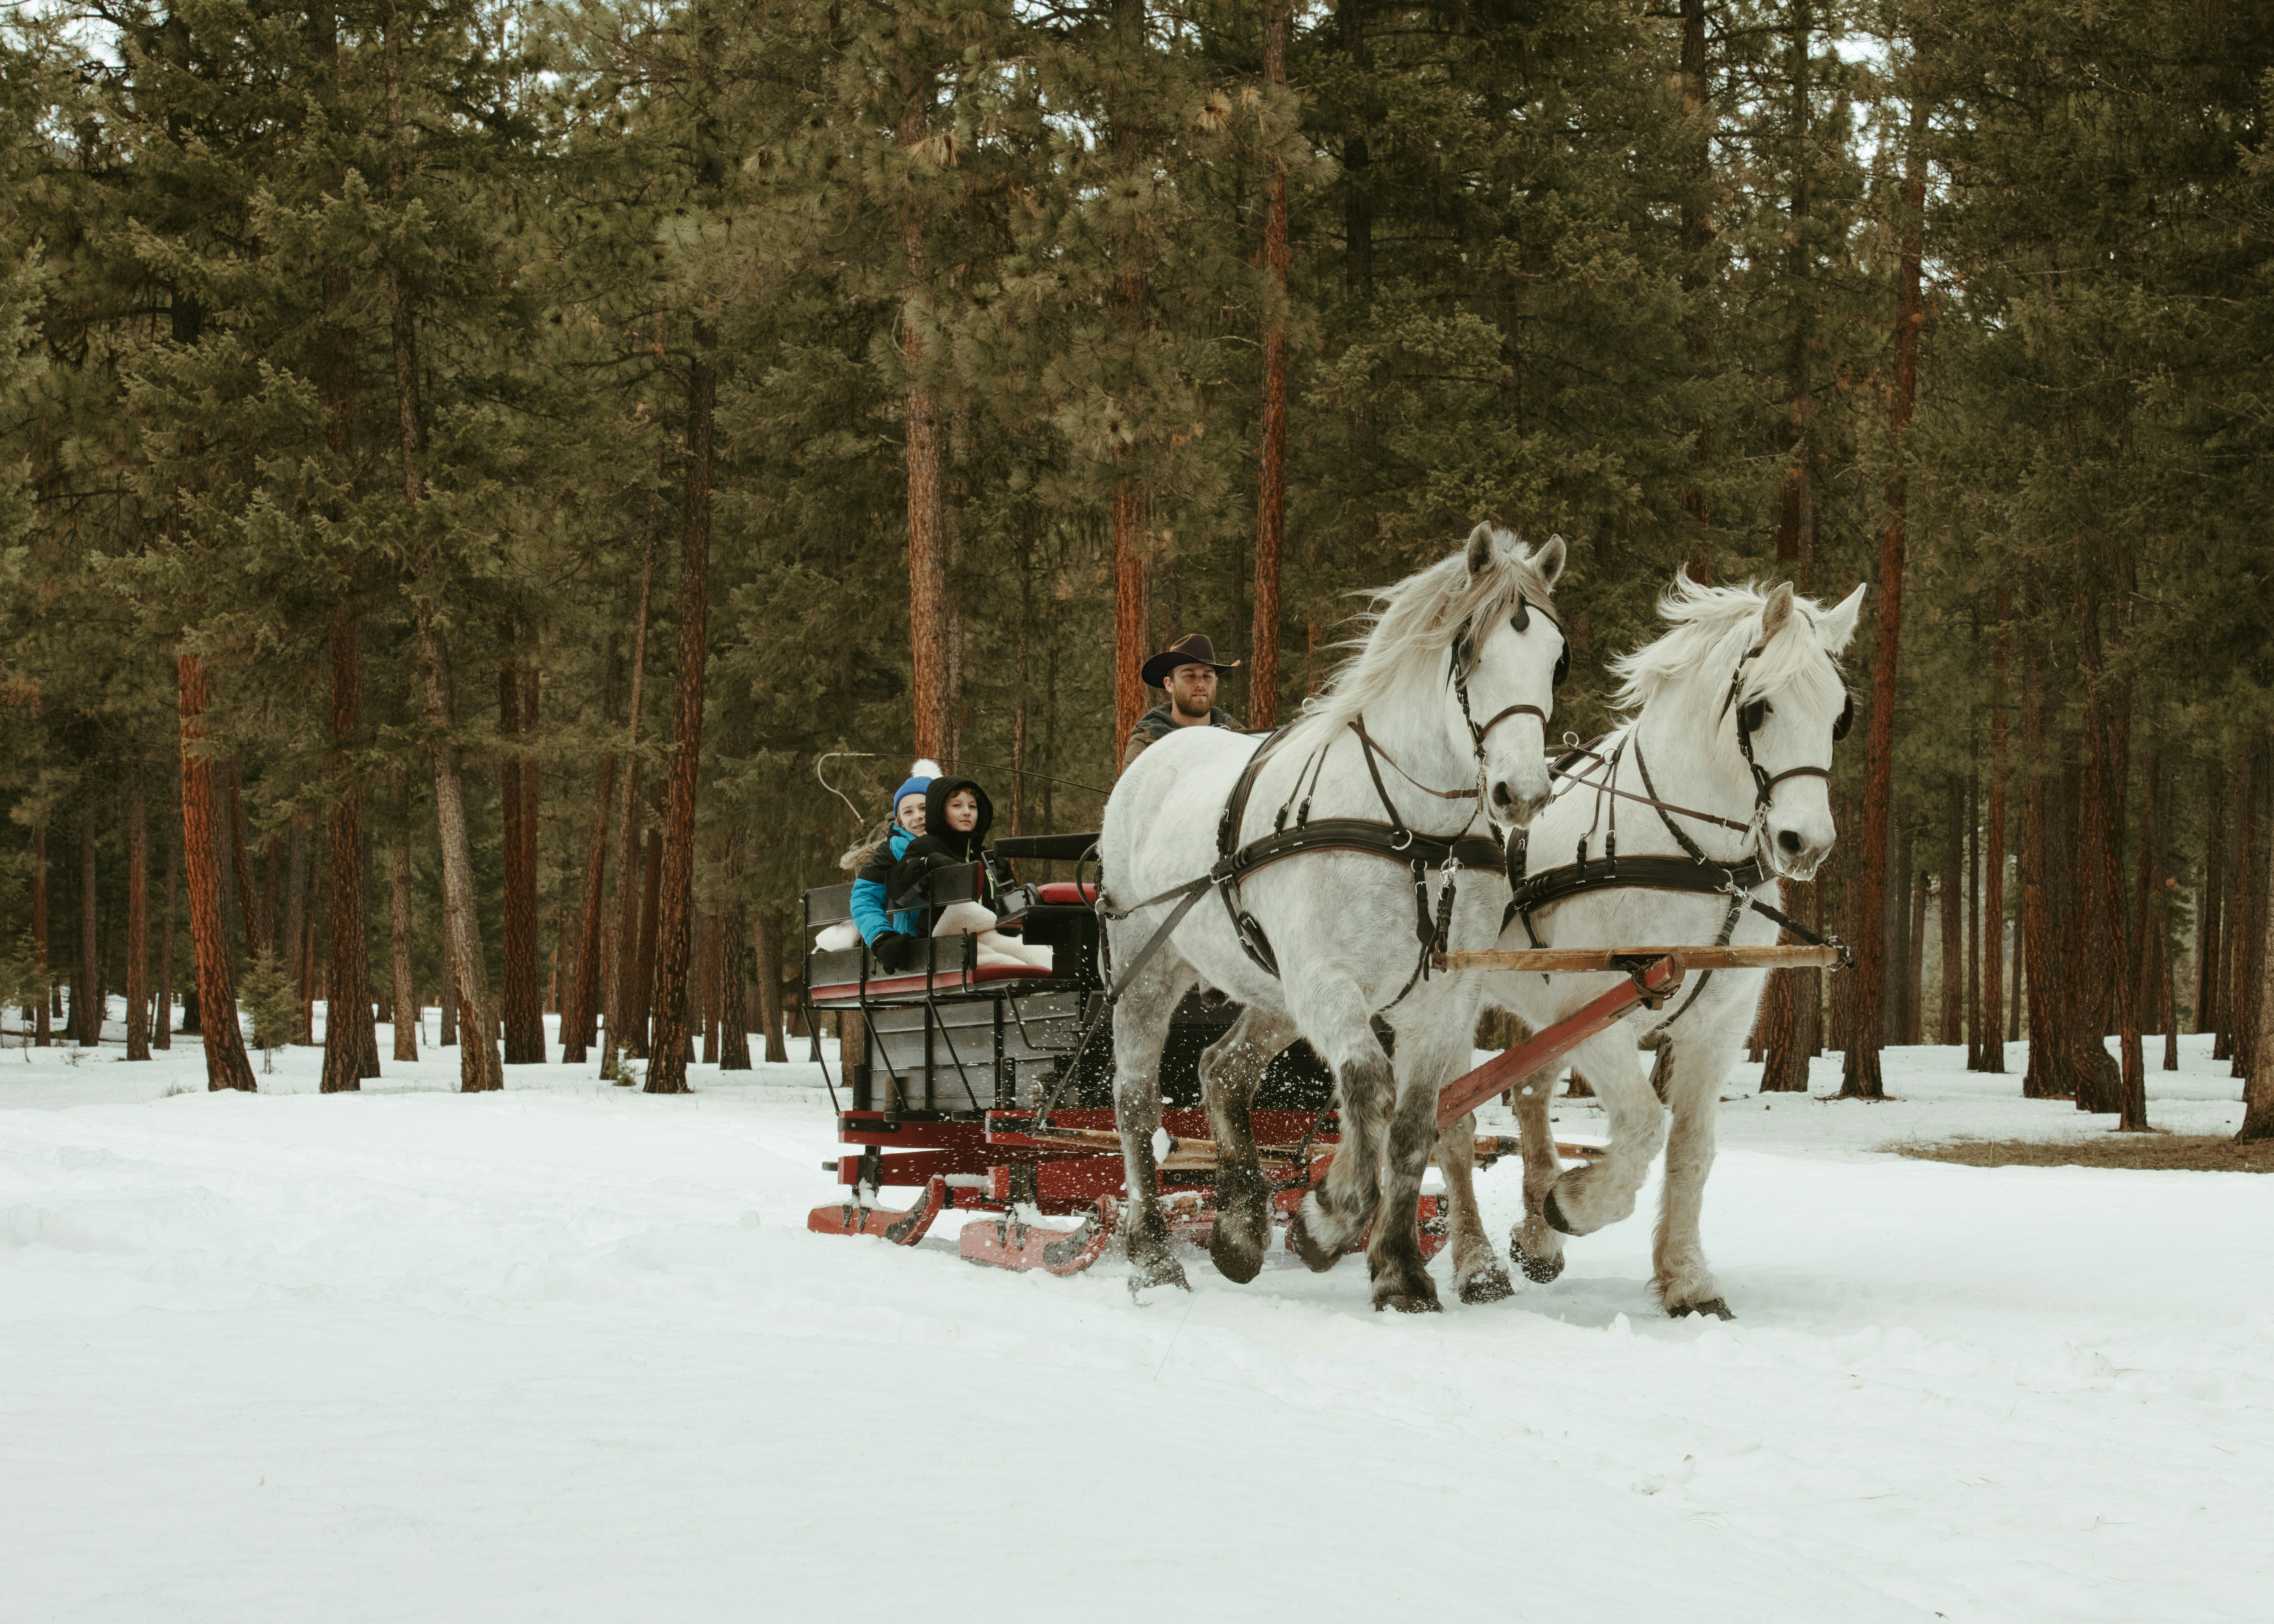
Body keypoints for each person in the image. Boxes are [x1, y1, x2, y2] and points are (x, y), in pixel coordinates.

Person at [888, 775, 1051, 972]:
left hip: (992, 937)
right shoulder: (927, 846)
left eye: (972, 807)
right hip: (947, 943)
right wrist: (926, 864)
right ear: (939, 810)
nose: (967, 813)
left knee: (1045, 955)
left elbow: (1012, 908)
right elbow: (896, 889)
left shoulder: (992, 859)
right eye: (957, 806)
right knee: (1020, 964)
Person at [843, 763, 936, 969]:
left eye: (924, 808)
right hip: (918, 949)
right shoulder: (892, 851)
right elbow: (865, 897)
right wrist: (882, 937)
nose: (918, 816)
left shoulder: (962, 842)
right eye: (908, 812)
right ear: (900, 821)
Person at [1122, 633, 1243, 771]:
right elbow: (1132, 791)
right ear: (1169, 684)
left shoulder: (1239, 737)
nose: (1201, 684)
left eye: (1207, 676)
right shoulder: (1147, 741)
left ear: (1216, 682)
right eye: (1190, 676)